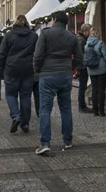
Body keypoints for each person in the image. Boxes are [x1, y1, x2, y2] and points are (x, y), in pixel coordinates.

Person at [33, 11, 82, 155]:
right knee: (66, 108)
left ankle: (45, 143)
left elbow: (38, 54)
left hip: (47, 75)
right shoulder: (72, 36)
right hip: (65, 74)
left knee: (45, 109)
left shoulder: (45, 34)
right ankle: (67, 140)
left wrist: (38, 69)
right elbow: (79, 57)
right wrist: (70, 68)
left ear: (54, 20)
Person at [0, 15, 38, 133]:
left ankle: (16, 116)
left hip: (11, 69)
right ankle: (25, 124)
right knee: (25, 96)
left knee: (11, 95)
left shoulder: (9, 35)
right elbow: (38, 52)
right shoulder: (34, 36)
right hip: (28, 69)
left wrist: (2, 67)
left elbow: (2, 53)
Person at [84, 27, 106, 117]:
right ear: (97, 33)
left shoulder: (87, 44)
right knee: (101, 90)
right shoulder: (100, 43)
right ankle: (101, 111)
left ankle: (95, 111)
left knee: (94, 89)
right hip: (101, 69)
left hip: (92, 69)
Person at [76, 23, 93, 113]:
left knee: (82, 86)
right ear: (85, 32)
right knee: (82, 86)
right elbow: (81, 55)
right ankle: (82, 106)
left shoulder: (81, 39)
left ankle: (82, 105)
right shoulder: (81, 40)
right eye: (90, 31)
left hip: (82, 65)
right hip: (82, 66)